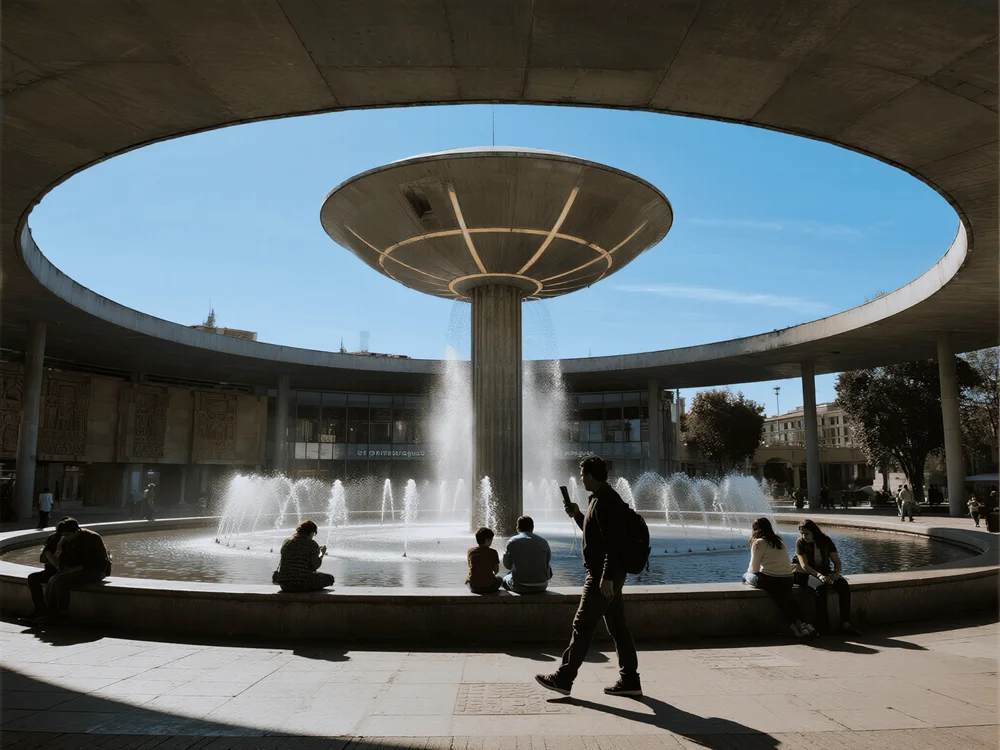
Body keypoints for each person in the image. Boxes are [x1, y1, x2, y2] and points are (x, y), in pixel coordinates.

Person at [536, 455, 640, 698]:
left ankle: (564, 678)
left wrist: (606, 577)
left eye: (582, 475)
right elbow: (598, 536)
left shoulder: (606, 502)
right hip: (609, 574)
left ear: (591, 476)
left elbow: (614, 544)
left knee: (582, 625)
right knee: (619, 628)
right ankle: (630, 680)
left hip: (602, 576)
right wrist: (577, 514)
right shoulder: (601, 500)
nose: (580, 479)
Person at [742, 517, 815, 638]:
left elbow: (753, 569)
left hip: (770, 580)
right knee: (786, 600)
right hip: (787, 579)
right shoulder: (779, 542)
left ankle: (796, 627)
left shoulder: (758, 542)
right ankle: (802, 624)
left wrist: (751, 573)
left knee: (745, 576)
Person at [39, 518, 111, 624]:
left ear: (76, 531)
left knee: (61, 579)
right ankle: (50, 612)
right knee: (52, 579)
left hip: (96, 571)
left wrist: (71, 570)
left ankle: (62, 615)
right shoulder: (67, 540)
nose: (66, 537)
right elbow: (65, 559)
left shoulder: (92, 538)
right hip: (79, 569)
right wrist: (59, 548)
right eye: (64, 535)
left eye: (68, 535)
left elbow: (94, 562)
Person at [793, 519, 858, 634]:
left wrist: (835, 574)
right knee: (820, 588)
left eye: (806, 533)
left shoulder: (825, 541)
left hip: (824, 572)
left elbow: (837, 562)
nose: (804, 536)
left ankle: (845, 624)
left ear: (814, 532)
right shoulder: (800, 542)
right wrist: (819, 576)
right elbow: (804, 566)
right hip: (804, 573)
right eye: (801, 533)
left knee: (843, 585)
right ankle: (823, 626)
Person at [18, 517, 72, 624]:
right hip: (52, 571)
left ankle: (57, 614)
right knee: (33, 578)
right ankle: (40, 609)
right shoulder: (53, 538)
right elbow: (43, 558)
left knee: (58, 581)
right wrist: (54, 552)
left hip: (66, 571)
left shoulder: (74, 539)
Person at [275, 520, 334, 592]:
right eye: (314, 534)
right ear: (312, 532)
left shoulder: (287, 541)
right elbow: (315, 566)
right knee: (330, 578)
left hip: (284, 584)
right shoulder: (311, 543)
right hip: (302, 584)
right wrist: (322, 554)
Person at [501, 515, 552, 594]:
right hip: (542, 586)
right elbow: (547, 561)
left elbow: (507, 565)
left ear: (517, 528)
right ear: (533, 527)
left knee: (504, 579)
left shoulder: (513, 541)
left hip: (519, 585)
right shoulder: (543, 542)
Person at [466, 526, 502, 594]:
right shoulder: (493, 552)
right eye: (491, 540)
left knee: (467, 580)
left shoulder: (470, 551)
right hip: (489, 587)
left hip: (474, 587)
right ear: (487, 540)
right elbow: (496, 571)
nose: (491, 542)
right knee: (500, 579)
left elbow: (470, 567)